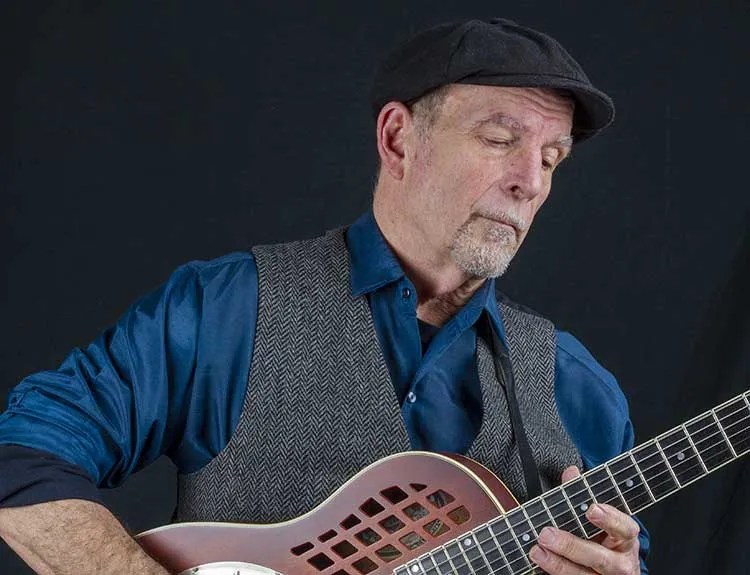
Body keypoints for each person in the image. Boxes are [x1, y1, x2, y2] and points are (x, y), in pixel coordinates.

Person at [0, 18, 649, 575]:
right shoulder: (230, 312)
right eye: (501, 139)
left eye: (552, 157)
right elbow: (21, 456)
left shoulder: (578, 389)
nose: (529, 181)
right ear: (398, 140)